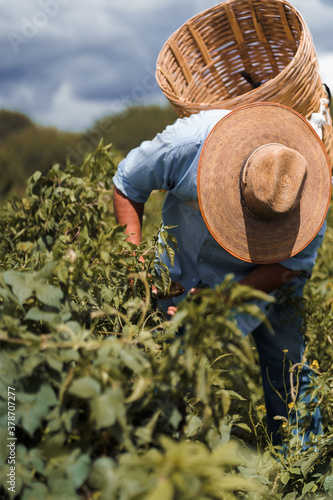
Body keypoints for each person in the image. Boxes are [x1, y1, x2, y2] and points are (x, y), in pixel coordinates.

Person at [112, 102, 332, 446]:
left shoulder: (309, 189)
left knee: (289, 368)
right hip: (179, 270)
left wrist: (225, 297)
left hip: (263, 284)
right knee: (167, 363)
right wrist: (134, 268)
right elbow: (128, 183)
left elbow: (291, 266)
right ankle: (167, 449)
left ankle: (303, 465)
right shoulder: (188, 144)